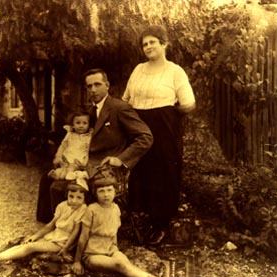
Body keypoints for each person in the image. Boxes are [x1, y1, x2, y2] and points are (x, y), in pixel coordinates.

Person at [37, 68, 153, 223]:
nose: (93, 89)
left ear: (107, 85)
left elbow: (145, 137)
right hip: (85, 162)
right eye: (89, 86)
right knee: (46, 178)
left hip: (104, 167)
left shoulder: (119, 108)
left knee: (58, 187)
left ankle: (65, 232)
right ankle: (51, 225)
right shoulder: (90, 111)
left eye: (97, 84)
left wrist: (120, 159)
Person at [122, 25, 196, 245]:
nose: (148, 47)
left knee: (164, 172)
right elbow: (126, 100)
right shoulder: (138, 70)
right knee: (139, 171)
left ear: (164, 43)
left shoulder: (175, 71)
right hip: (138, 127)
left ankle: (161, 224)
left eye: (152, 42)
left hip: (165, 128)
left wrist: (169, 115)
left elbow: (189, 104)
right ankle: (139, 221)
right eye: (144, 44)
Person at [71, 174, 184, 277]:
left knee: (127, 265)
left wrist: (115, 250)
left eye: (109, 190)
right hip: (92, 254)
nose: (106, 194)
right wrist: (77, 261)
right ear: (95, 193)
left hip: (111, 250)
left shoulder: (116, 209)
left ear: (115, 191)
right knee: (120, 265)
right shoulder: (92, 210)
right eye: (101, 191)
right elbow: (83, 237)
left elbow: (113, 231)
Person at [0, 178, 89, 270]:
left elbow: (75, 232)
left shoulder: (83, 209)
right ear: (67, 195)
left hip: (61, 242)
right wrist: (35, 236)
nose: (74, 201)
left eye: (79, 198)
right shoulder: (62, 206)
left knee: (30, 247)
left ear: (84, 199)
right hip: (53, 236)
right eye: (71, 196)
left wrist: (65, 248)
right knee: (26, 243)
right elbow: (50, 225)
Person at [48, 109, 93, 181]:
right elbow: (63, 145)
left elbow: (87, 150)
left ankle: (67, 175)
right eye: (78, 123)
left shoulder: (88, 137)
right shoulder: (70, 134)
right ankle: (57, 174)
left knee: (71, 167)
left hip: (78, 160)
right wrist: (58, 156)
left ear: (89, 125)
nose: (81, 126)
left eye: (84, 123)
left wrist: (85, 162)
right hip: (67, 158)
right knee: (62, 169)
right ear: (73, 125)